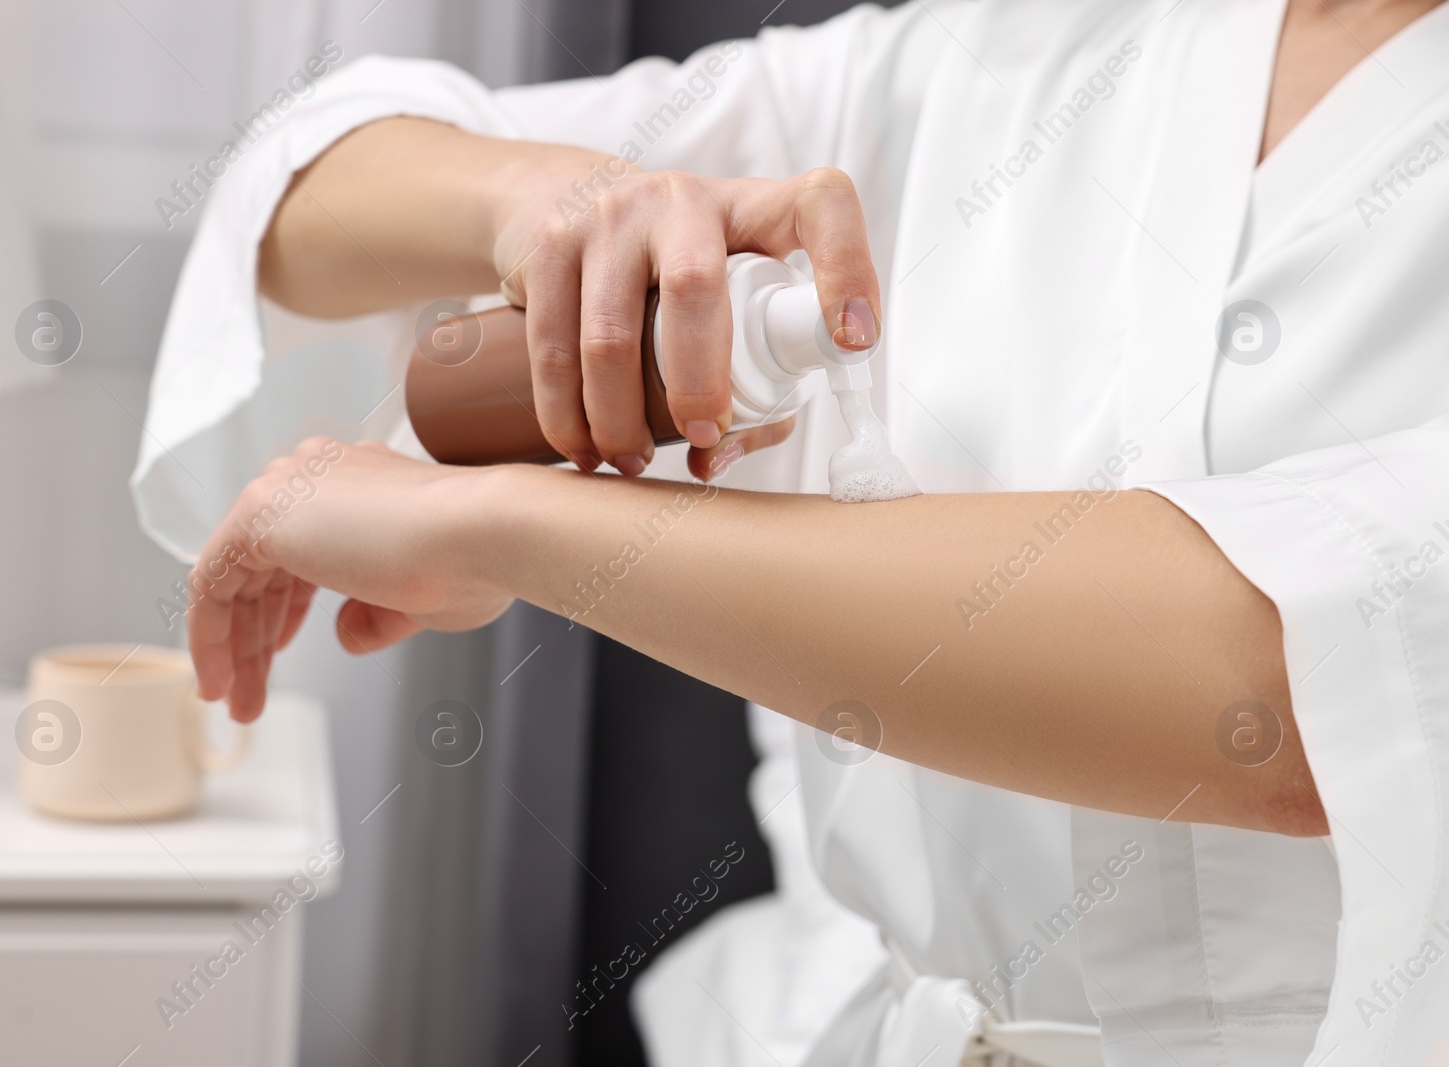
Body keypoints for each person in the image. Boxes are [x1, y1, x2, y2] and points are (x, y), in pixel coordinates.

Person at [133, 0, 1449, 1063]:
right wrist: (543, 197)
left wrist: (508, 525)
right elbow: (296, 196)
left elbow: (1286, 679)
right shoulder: (995, 61)